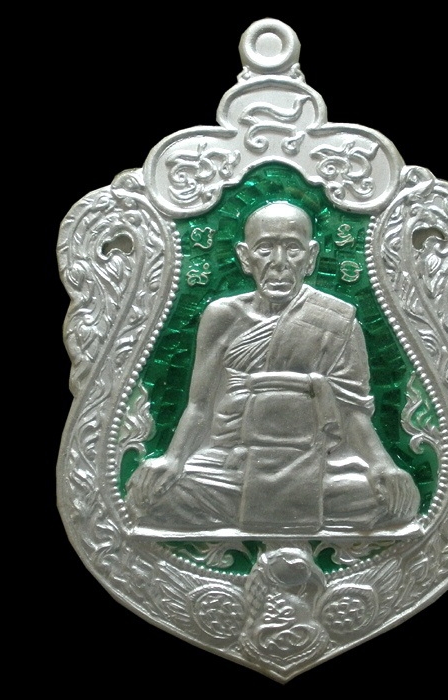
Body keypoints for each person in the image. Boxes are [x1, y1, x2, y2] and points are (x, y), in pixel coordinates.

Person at [127, 201, 420, 533]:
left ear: (311, 257)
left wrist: (382, 466)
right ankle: (287, 513)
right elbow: (199, 405)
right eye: (265, 248)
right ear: (245, 256)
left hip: (315, 461)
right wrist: (173, 459)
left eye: (292, 249)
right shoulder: (223, 316)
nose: (279, 262)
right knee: (151, 497)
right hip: (234, 461)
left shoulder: (337, 320)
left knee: (389, 501)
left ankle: (263, 513)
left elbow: (353, 413)